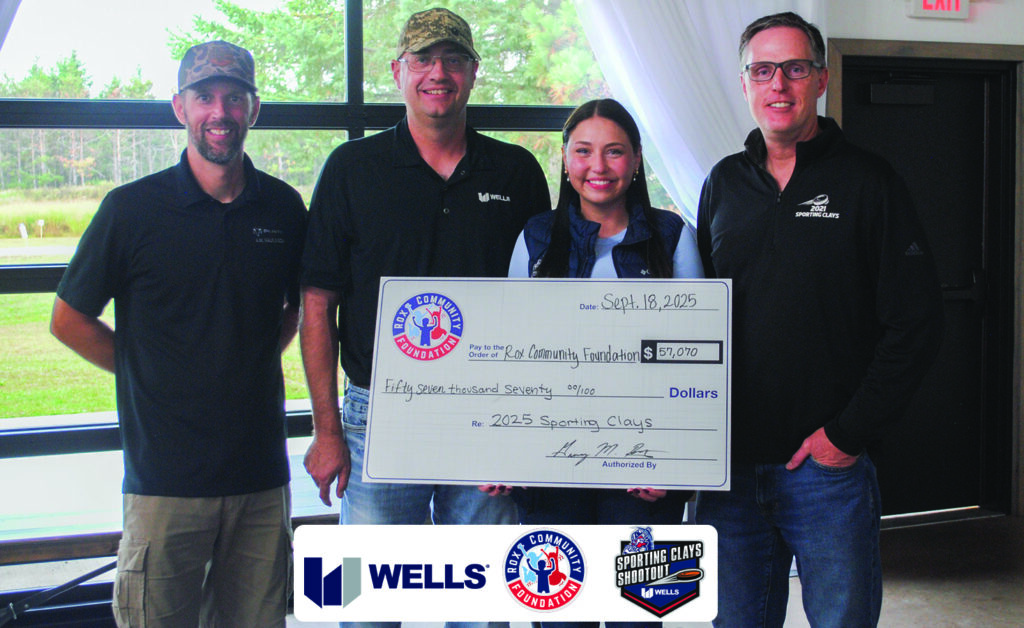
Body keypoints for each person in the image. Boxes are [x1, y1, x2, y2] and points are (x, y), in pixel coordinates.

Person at [694, 12, 944, 627]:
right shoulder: (723, 182)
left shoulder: (869, 182)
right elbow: (698, 315)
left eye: (795, 68)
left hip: (826, 471)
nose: (778, 84)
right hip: (729, 474)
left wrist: (845, 436)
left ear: (822, 79)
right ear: (745, 83)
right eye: (762, 70)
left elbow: (916, 323)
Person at [50, 40, 305, 627]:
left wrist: (249, 355)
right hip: (164, 481)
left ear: (254, 109)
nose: (220, 111)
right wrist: (146, 368)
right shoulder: (131, 210)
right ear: (179, 107)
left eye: (234, 97)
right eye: (204, 96)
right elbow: (68, 319)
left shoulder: (283, 208)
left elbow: (298, 308)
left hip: (259, 479)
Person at [300, 0, 547, 582]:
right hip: (378, 414)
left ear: (473, 73)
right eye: (423, 59)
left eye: (454, 59)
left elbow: (540, 308)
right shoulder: (351, 168)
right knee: (373, 597)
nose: (439, 72)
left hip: (488, 411)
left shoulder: (515, 172)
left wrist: (524, 430)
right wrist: (328, 431)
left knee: (480, 596)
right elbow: (317, 305)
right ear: (397, 72)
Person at [498, 98, 703, 628]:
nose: (599, 166)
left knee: (641, 613)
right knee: (560, 614)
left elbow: (698, 359)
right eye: (584, 151)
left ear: (636, 160)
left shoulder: (673, 236)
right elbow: (509, 354)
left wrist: (677, 463)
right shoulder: (534, 237)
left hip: (646, 470)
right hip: (551, 471)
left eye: (614, 152)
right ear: (566, 160)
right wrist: (501, 452)